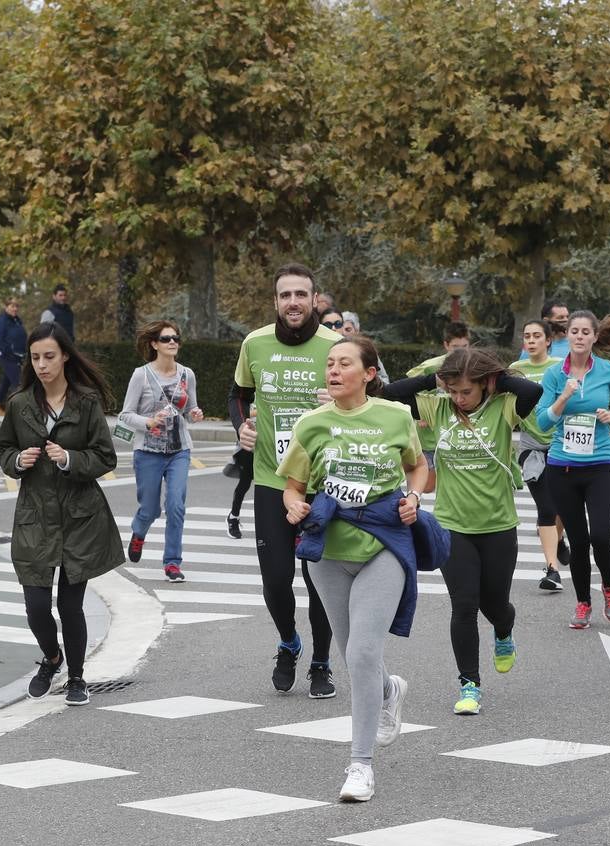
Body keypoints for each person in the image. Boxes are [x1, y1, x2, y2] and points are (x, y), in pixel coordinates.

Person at [279, 335, 427, 801]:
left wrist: (414, 497)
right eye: (329, 364)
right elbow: (293, 486)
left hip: (383, 545)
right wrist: (293, 508)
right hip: (327, 554)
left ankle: (360, 766)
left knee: (362, 653)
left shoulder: (395, 416)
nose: (334, 370)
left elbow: (418, 467)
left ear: (369, 374)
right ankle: (388, 691)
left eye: (345, 363)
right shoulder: (311, 423)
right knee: (353, 656)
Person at [386, 348, 541, 715]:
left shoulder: (503, 407)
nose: (459, 398)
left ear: (485, 386)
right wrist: (434, 379)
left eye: (466, 392)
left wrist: (494, 378)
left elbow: (532, 394)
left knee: (495, 603)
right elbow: (390, 395)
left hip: (498, 524)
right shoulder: (439, 408)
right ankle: (469, 684)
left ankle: (504, 630)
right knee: (465, 605)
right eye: (453, 391)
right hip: (452, 525)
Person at [228, 262, 342, 698]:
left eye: (301, 294)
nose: (293, 302)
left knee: (319, 581)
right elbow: (237, 395)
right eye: (284, 295)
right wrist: (241, 425)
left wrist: (339, 397)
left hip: (324, 483)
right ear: (275, 301)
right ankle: (289, 643)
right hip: (273, 479)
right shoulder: (255, 343)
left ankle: (321, 662)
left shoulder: (335, 344)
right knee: (275, 580)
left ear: (315, 300)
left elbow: (366, 395)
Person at [0, 322, 123, 706]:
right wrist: (18, 460)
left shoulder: (85, 403)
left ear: (65, 355)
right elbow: (3, 449)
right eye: (35, 358)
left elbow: (105, 456)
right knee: (36, 607)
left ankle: (78, 678)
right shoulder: (20, 404)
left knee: (70, 606)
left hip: (79, 518)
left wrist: (70, 459)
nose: (42, 365)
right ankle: (53, 658)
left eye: (49, 356)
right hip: (35, 518)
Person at [536, 310, 610, 628]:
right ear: (568, 336)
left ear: (594, 337)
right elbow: (542, 421)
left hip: (600, 464)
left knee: (602, 535)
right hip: (562, 466)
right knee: (578, 541)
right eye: (573, 331)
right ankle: (582, 603)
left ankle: (609, 587)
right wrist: (564, 396)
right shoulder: (554, 374)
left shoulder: (607, 370)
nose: (578, 336)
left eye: (584, 332)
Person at [120, 320, 204, 582]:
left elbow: (190, 410)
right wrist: (148, 422)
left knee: (176, 505)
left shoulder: (187, 374)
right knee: (150, 509)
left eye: (176, 338)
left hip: (179, 450)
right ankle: (139, 532)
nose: (172, 343)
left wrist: (194, 413)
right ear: (154, 344)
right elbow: (124, 416)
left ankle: (172, 563)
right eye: (166, 339)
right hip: (147, 451)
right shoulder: (141, 375)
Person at [510, 319, 567, 590]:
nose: (531, 341)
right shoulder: (514, 371)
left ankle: (561, 538)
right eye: (527, 336)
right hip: (530, 446)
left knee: (563, 507)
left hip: (560, 444)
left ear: (548, 341)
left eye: (536, 336)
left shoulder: (559, 368)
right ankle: (552, 569)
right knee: (546, 507)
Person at [405, 321, 472, 494]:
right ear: (446, 345)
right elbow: (409, 386)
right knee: (427, 486)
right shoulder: (431, 367)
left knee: (454, 483)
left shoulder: (472, 364)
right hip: (430, 435)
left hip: (458, 433)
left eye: (465, 347)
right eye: (456, 348)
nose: (461, 352)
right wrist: (419, 415)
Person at [0, 297, 27, 412]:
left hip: (16, 356)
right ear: (6, 307)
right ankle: (22, 410)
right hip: (6, 355)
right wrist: (9, 351)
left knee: (6, 381)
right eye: (12, 306)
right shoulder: (2, 321)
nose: (15, 309)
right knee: (19, 383)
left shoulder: (16, 320)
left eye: (16, 306)